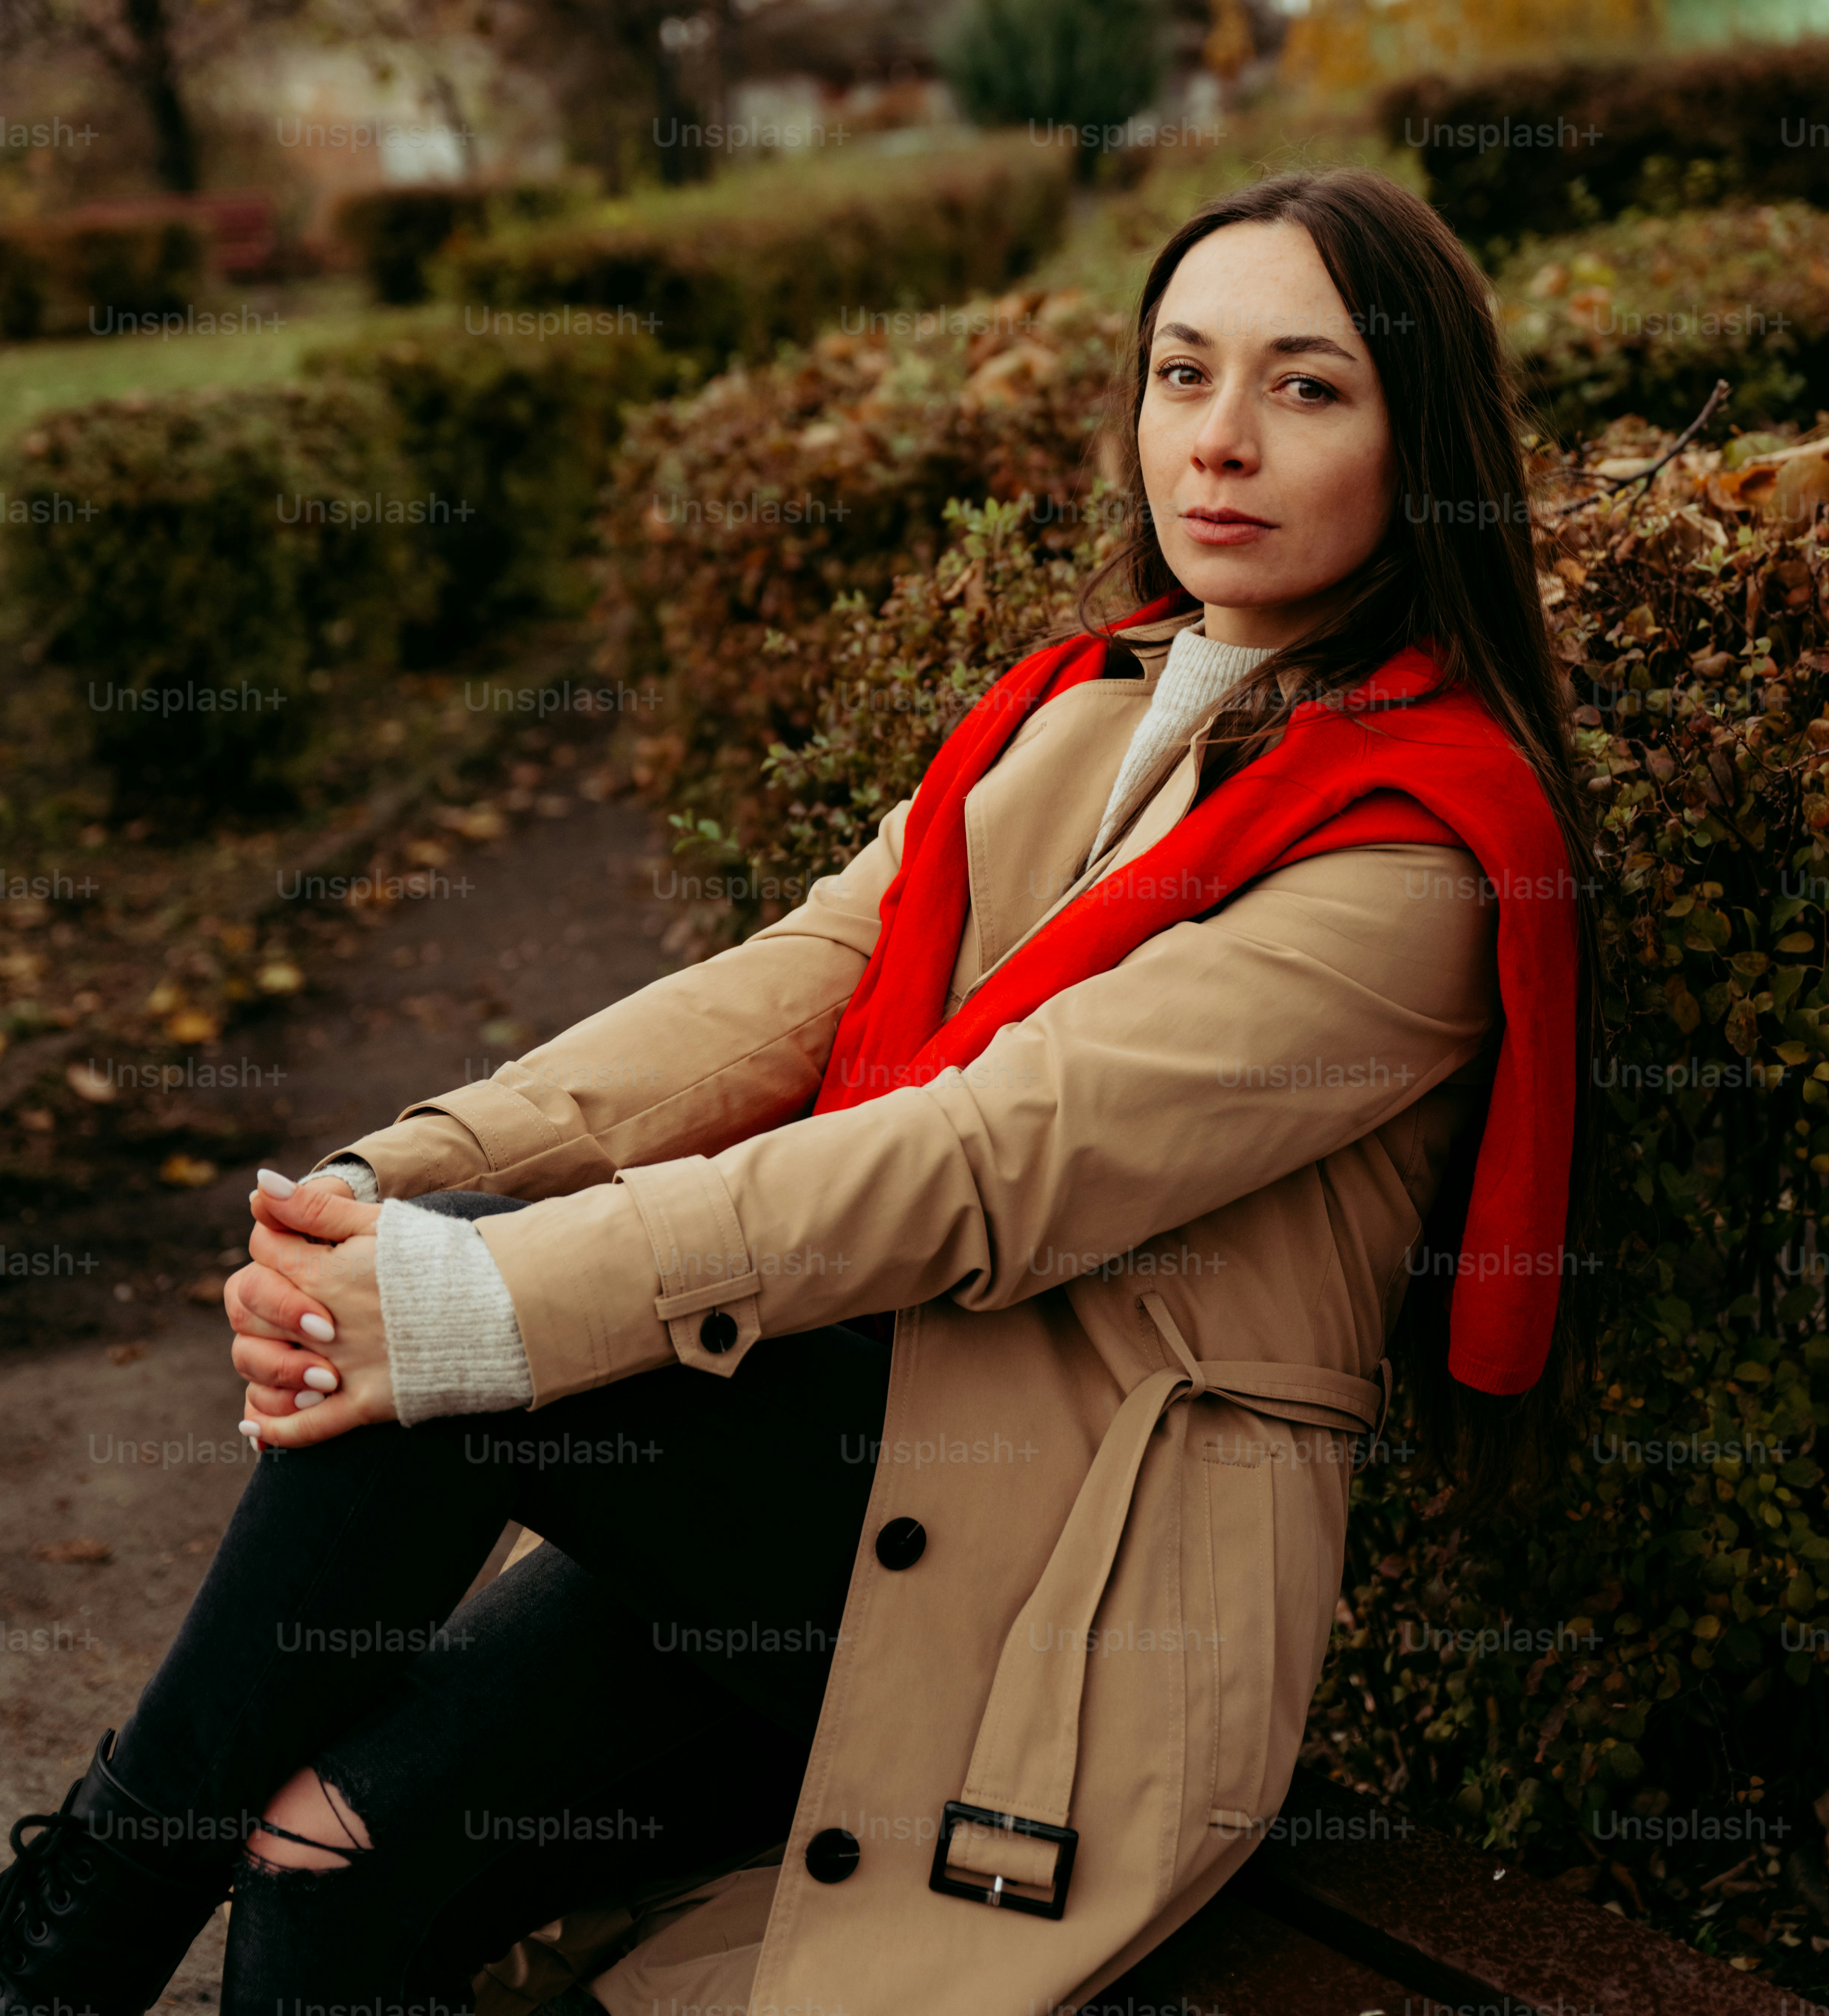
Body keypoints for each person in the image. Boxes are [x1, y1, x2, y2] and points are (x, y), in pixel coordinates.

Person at [0, 167, 1596, 2016]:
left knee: (455, 1340)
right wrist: (385, 1179)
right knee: (328, 1843)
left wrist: (457, 1284)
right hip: (861, 1465)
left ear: (1427, 442)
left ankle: (77, 1926)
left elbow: (989, 1164)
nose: (1220, 442)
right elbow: (790, 989)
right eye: (1182, 374)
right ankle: (94, 1917)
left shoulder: (1420, 853)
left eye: (1307, 388)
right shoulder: (1085, 708)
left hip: (1076, 1568)